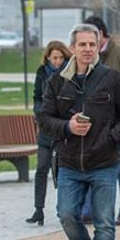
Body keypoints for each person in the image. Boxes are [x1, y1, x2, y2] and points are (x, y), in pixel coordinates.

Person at [37, 23, 120, 240]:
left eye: (92, 44)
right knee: (67, 215)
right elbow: (44, 119)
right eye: (82, 44)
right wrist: (67, 127)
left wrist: (110, 138)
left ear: (98, 47)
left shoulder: (112, 78)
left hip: (104, 162)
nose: (87, 49)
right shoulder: (57, 80)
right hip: (70, 162)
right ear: (72, 48)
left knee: (105, 222)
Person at [81, 15, 120, 226]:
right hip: (93, 127)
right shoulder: (89, 58)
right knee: (91, 168)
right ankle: (89, 211)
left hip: (118, 126)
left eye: (92, 37)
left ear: (101, 34)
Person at [26, 40, 71, 226]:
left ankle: (65, 209)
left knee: (62, 171)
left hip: (61, 129)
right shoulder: (42, 73)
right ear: (48, 58)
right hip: (45, 129)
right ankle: (38, 209)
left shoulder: (69, 73)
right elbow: (37, 96)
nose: (58, 61)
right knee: (42, 168)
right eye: (54, 58)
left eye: (61, 57)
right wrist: (40, 111)